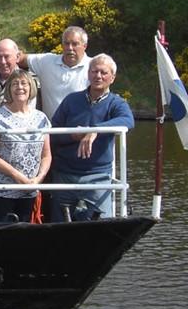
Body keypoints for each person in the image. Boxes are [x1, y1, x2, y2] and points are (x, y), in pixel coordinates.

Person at [49, 54, 134, 222]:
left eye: (104, 72)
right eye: (94, 71)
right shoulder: (71, 100)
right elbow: (53, 133)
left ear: (112, 77)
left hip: (98, 176)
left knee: (103, 226)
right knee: (58, 225)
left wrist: (95, 130)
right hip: (64, 174)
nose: (98, 76)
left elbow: (128, 121)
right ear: (88, 74)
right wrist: (73, 136)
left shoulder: (116, 103)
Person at [0, 70, 51, 223]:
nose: (20, 87)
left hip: (29, 191)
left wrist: (38, 179)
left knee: (23, 236)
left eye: (24, 83)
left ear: (31, 87)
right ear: (9, 89)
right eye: (15, 84)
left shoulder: (42, 119)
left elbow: (46, 155)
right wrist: (17, 176)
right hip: (2, 192)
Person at [0, 26, 91, 120]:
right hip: (52, 134)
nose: (70, 48)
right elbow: (21, 58)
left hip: (81, 134)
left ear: (85, 46)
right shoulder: (47, 61)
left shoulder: (94, 67)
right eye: (66, 43)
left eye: (75, 44)